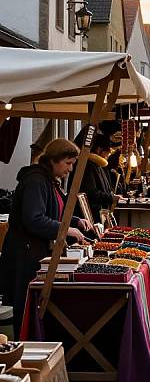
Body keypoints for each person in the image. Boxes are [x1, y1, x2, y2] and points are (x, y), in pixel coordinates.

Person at [0, 139, 89, 338]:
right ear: (54, 160)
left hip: (35, 252)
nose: (70, 168)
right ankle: (25, 347)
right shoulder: (35, 181)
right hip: (25, 255)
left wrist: (75, 221)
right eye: (68, 163)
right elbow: (35, 219)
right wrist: (66, 230)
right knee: (24, 306)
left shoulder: (48, 180)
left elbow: (53, 211)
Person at [74, 134, 119, 223]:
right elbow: (91, 193)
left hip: (97, 213)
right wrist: (110, 198)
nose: (108, 156)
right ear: (99, 149)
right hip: (89, 216)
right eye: (107, 152)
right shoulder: (88, 166)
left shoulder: (97, 165)